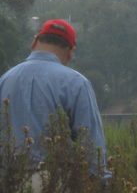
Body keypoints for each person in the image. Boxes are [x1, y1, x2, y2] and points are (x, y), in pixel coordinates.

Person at [0, 19, 109, 175]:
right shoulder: (76, 83)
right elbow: (91, 144)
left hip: (5, 182)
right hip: (55, 183)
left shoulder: (4, 80)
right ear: (70, 52)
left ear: (35, 41)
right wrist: (100, 183)